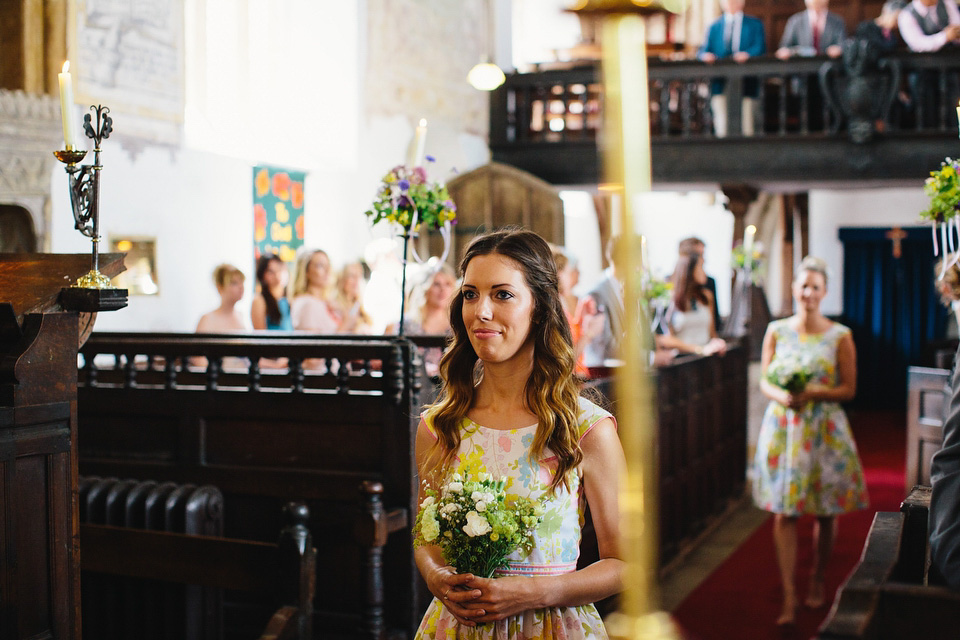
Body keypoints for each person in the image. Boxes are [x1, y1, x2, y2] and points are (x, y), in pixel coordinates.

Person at [413, 228, 625, 637]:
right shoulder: (440, 426)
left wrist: (533, 592)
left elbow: (624, 565)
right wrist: (436, 575)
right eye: (471, 294)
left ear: (540, 308)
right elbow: (427, 536)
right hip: (458, 627)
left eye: (502, 294)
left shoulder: (584, 428)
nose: (481, 312)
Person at [752, 256, 868, 626]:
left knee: (824, 509)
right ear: (794, 289)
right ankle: (789, 595)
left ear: (825, 292)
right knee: (785, 511)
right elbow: (765, 380)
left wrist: (815, 392)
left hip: (823, 431)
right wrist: (781, 395)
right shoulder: (777, 330)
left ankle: (818, 577)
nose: (809, 293)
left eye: (816, 287)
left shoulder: (840, 335)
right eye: (803, 286)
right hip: (785, 429)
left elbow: (848, 389)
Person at [698, 0, 767, 137]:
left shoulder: (754, 24)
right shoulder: (714, 26)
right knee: (722, 126)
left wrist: (748, 55)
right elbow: (702, 51)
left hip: (747, 84)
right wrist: (705, 56)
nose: (731, 2)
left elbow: (760, 48)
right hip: (720, 83)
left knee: (747, 126)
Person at [387, 263, 457, 378]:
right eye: (436, 284)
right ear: (425, 288)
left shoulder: (457, 325)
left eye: (448, 284)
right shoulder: (407, 324)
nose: (442, 289)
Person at [898, 0, 960, 128]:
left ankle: (955, 134)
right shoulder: (906, 14)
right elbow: (918, 44)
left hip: (950, 69)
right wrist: (945, 36)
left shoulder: (947, 4)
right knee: (926, 107)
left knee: (953, 104)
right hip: (923, 73)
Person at [660, 251, 727, 356]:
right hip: (682, 359)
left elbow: (712, 333)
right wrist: (698, 349)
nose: (704, 272)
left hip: (706, 357)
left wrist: (717, 343)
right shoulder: (670, 299)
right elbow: (665, 338)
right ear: (689, 271)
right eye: (700, 267)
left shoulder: (706, 297)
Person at [552, 246, 604, 376]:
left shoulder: (561, 304)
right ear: (558, 273)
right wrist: (589, 334)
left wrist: (582, 320)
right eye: (568, 272)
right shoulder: (553, 310)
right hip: (571, 380)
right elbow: (565, 362)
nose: (571, 278)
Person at [678, 237, 722, 334]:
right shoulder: (671, 290)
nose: (703, 260)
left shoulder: (708, 283)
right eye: (699, 255)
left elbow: (714, 322)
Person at [776, 0, 847, 59]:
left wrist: (838, 49)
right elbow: (785, 46)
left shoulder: (837, 21)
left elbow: (843, 44)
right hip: (801, 69)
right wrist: (786, 51)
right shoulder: (795, 21)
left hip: (829, 69)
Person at [290, 249, 339, 333]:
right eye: (320, 265)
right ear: (306, 271)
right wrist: (347, 322)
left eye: (328, 265)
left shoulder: (326, 303)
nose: (327, 270)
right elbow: (314, 344)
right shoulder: (307, 304)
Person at [196, 263, 247, 333]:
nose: (241, 287)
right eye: (234, 283)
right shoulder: (207, 320)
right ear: (220, 287)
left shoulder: (241, 316)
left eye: (241, 282)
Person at [251, 253, 293, 331]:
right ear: (262, 276)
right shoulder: (259, 301)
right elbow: (261, 337)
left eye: (280, 269)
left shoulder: (289, 300)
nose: (277, 274)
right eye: (271, 271)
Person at [331, 260, 374, 334]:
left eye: (359, 276)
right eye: (352, 276)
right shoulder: (333, 306)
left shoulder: (359, 307)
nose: (356, 281)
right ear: (342, 279)